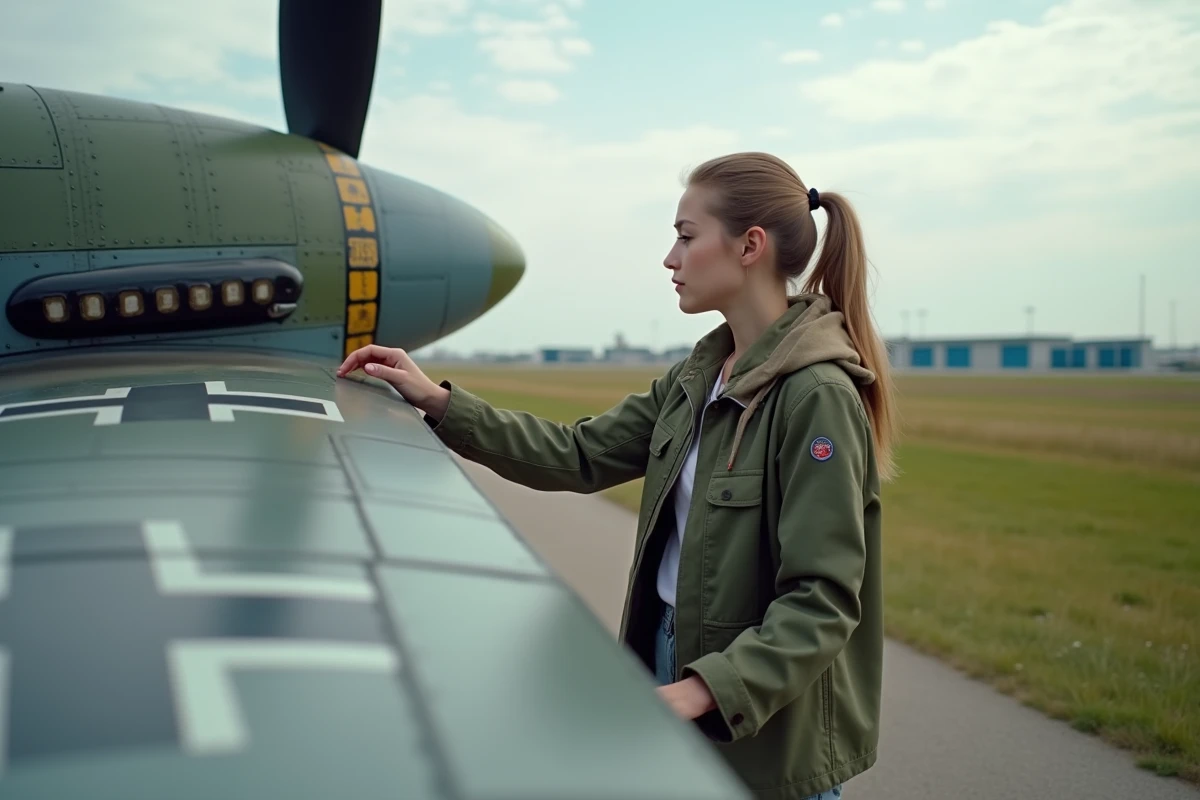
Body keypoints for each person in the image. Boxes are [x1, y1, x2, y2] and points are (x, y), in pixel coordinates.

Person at [337, 151, 896, 800]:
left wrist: (696, 694)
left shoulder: (816, 396)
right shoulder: (698, 376)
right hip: (671, 659)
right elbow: (577, 454)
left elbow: (822, 602)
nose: (670, 258)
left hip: (758, 719)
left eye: (686, 237)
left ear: (749, 246)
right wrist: (437, 401)